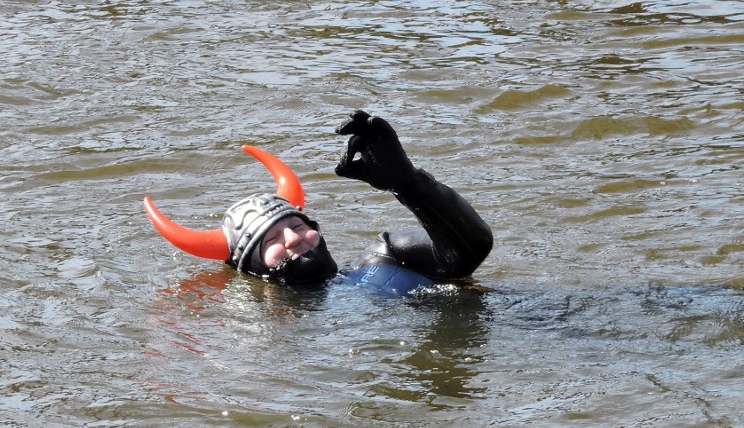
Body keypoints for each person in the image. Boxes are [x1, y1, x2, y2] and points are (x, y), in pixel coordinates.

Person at [144, 110, 493, 296]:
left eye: (296, 226)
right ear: (250, 269)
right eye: (271, 241)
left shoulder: (388, 257)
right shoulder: (262, 331)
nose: (293, 238)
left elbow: (472, 247)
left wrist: (410, 184)